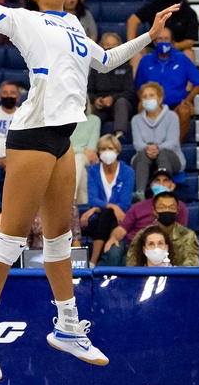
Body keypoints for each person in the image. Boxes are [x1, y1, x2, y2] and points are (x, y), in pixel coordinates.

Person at [0, 0, 175, 380]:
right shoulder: (24, 19)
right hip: (32, 135)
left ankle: (67, 327)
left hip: (63, 138)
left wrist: (150, 33)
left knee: (60, 239)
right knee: (13, 237)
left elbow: (105, 61)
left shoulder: (72, 22)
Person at [134, 26, 199, 142]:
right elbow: (138, 87)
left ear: (172, 42)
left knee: (185, 110)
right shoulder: (146, 60)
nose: (163, 42)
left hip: (176, 104)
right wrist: (143, 100)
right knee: (142, 107)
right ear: (155, 42)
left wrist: (188, 100)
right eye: (160, 39)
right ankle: (150, 145)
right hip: (154, 104)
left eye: (166, 39)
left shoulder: (182, 59)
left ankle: (175, 146)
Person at [102, 169, 190, 255]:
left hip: (160, 247)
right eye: (157, 180)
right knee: (114, 250)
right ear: (152, 185)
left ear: (172, 186)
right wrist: (113, 237)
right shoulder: (138, 206)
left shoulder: (179, 206)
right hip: (133, 246)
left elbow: (180, 233)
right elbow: (122, 229)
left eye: (166, 180)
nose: (161, 184)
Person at [81, 134, 135, 267]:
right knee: (106, 214)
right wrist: (112, 207)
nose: (106, 152)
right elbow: (93, 199)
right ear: (98, 152)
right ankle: (96, 261)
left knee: (107, 215)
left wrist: (100, 207)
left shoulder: (127, 171)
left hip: (118, 218)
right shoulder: (93, 170)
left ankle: (93, 261)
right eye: (103, 149)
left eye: (110, 148)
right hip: (97, 219)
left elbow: (124, 203)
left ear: (117, 151)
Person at [131, 82, 185, 193]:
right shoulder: (136, 120)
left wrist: (156, 147)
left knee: (162, 153)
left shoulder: (172, 116)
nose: (147, 99)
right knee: (143, 154)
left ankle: (165, 192)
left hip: (171, 158)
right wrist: (148, 148)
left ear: (160, 99)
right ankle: (139, 193)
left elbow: (173, 142)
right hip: (145, 160)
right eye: (144, 96)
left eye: (151, 95)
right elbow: (137, 144)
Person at [88, 32, 134, 140]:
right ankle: (89, 142)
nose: (110, 47)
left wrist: (112, 99)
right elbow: (88, 91)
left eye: (114, 45)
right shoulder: (95, 67)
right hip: (100, 104)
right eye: (107, 44)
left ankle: (120, 136)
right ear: (101, 47)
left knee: (121, 102)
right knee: (90, 110)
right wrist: (96, 100)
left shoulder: (127, 67)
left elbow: (130, 91)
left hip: (118, 103)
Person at [70, 103, 100, 205]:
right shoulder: (63, 122)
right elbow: (63, 146)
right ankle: (82, 205)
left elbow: (91, 148)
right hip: (67, 157)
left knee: (79, 158)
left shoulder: (94, 120)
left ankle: (70, 196)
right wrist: (82, 149)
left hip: (86, 158)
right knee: (81, 172)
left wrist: (79, 150)